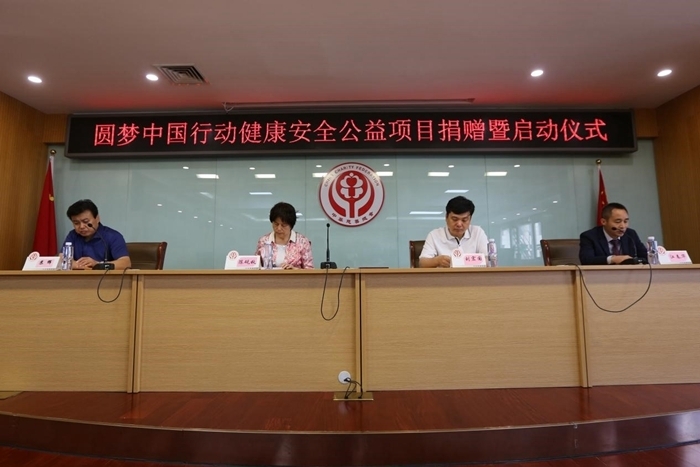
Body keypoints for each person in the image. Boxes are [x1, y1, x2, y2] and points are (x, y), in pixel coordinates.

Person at [419, 196, 488, 268]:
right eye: (455, 219)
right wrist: (437, 261)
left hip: (472, 275)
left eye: (464, 220)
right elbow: (422, 263)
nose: (459, 224)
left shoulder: (477, 232)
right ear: (446, 217)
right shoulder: (434, 235)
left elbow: (488, 259)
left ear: (470, 219)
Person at [63, 199, 131, 270]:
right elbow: (62, 258)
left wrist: (98, 265)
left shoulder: (113, 236)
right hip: (77, 276)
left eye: (85, 221)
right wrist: (78, 265)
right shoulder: (73, 235)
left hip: (104, 276)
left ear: (97, 218)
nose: (81, 226)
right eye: (76, 223)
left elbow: (125, 263)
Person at [579, 202, 648, 265]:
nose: (623, 226)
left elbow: (645, 257)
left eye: (625, 221)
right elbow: (586, 260)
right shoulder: (589, 236)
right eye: (618, 221)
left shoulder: (631, 234)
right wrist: (612, 259)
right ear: (603, 222)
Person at [255, 202, 314, 269]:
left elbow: (310, 269)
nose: (279, 228)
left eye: (283, 225)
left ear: (291, 225)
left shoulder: (302, 242)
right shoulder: (264, 241)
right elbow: (256, 266)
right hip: (268, 276)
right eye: (276, 224)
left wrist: (295, 270)